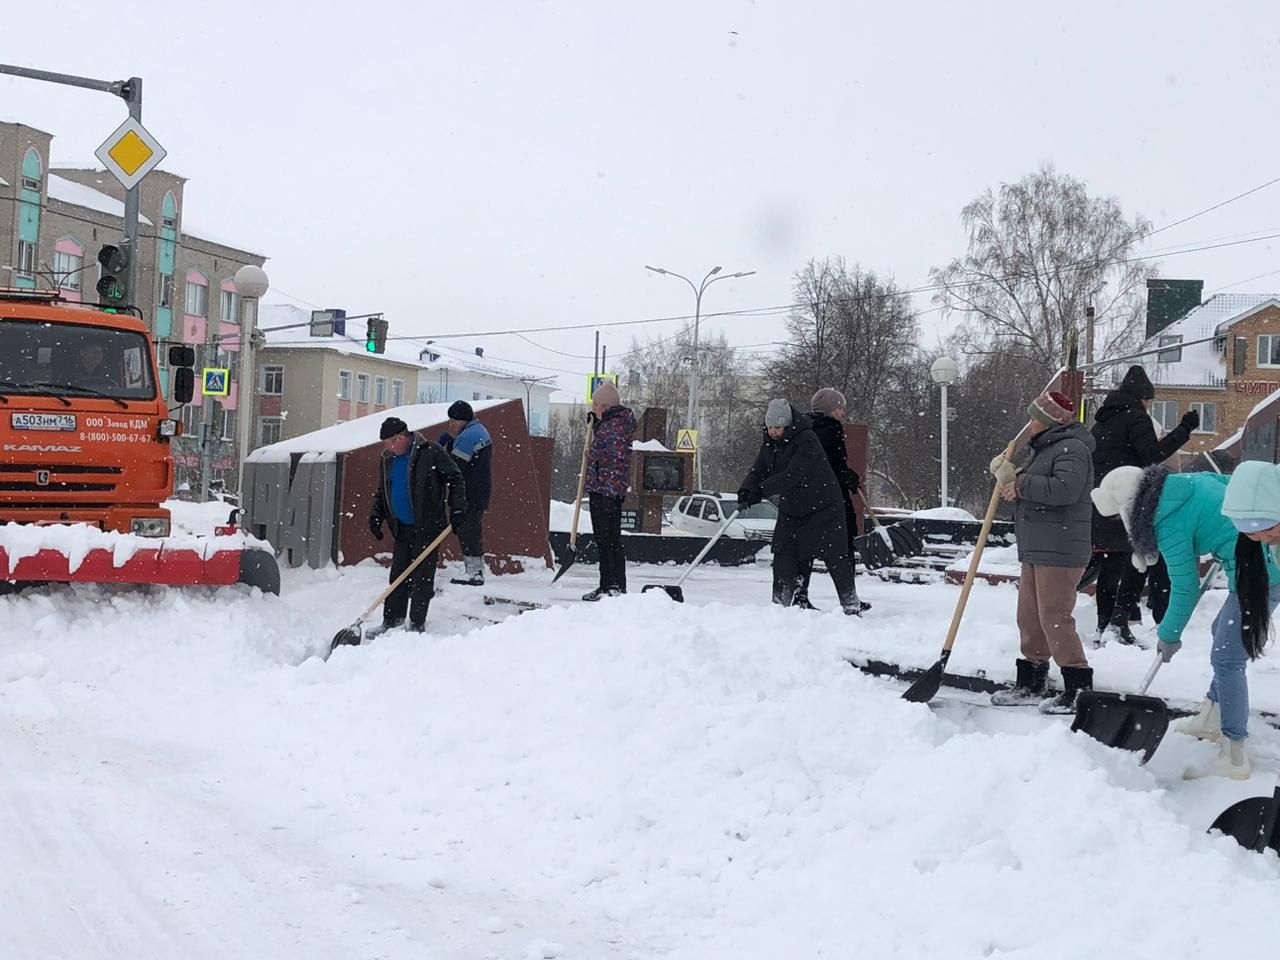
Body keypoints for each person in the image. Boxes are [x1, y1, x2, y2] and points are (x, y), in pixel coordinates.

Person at [1093, 460, 1280, 779]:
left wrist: (1169, 633)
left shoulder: (1166, 522)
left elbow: (1185, 585)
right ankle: (1211, 715)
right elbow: (1224, 482)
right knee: (1220, 633)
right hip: (1250, 563)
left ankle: (1234, 752)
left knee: (1227, 657)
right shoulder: (1177, 484)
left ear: (1130, 511)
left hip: (1260, 572)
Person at [988, 390, 1096, 712]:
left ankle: (1078, 687)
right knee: (1031, 616)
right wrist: (1013, 477)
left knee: (1055, 617)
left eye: (1035, 417)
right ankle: (1032, 680)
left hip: (1060, 549)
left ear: (1049, 421)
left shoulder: (1072, 448)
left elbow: (1065, 490)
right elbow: (1041, 484)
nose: (1031, 423)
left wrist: (1021, 486)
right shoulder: (1047, 447)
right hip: (1038, 546)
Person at [1089, 364, 1196, 645]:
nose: (1149, 405)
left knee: (1112, 565)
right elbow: (1152, 454)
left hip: (1104, 500)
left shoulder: (1102, 422)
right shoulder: (1136, 418)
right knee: (1140, 561)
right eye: (1149, 400)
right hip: (1130, 499)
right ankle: (1120, 620)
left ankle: (1105, 625)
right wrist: (1184, 430)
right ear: (1142, 398)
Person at [738, 400, 862, 615]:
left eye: (778, 428)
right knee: (784, 552)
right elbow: (759, 468)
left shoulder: (807, 439)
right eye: (770, 428)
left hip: (824, 507)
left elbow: (794, 474)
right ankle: (782, 605)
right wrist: (747, 489)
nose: (774, 432)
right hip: (793, 508)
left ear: (787, 425)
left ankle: (850, 603)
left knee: (836, 557)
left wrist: (763, 490)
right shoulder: (769, 442)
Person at [367, 416, 466, 634]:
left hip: (428, 527)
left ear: (402, 437)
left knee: (422, 578)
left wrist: (457, 509)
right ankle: (392, 620)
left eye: (390, 443)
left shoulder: (430, 452)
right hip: (402, 528)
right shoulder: (388, 460)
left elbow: (455, 478)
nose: (389, 448)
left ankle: (416, 624)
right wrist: (376, 515)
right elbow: (383, 491)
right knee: (398, 576)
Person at [792, 387, 871, 613]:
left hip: (807, 500)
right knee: (843, 549)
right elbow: (831, 464)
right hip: (831, 499)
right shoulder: (830, 429)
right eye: (839, 408)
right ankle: (850, 600)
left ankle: (800, 595)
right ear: (828, 409)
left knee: (805, 549)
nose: (841, 413)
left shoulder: (804, 429)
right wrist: (846, 476)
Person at [582, 381, 636, 601]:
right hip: (608, 489)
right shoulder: (615, 424)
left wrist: (593, 454)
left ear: (604, 406)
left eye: (596, 404)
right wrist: (595, 427)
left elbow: (611, 458)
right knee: (610, 539)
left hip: (606, 490)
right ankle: (614, 585)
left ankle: (610, 586)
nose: (594, 408)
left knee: (607, 540)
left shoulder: (614, 427)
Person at [438, 400, 493, 586]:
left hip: (470, 492)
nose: (451, 425)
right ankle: (475, 570)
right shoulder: (479, 430)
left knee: (468, 530)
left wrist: (440, 453)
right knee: (472, 529)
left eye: (453, 420)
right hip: (480, 490)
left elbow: (455, 468)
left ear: (462, 420)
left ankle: (474, 573)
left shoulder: (468, 437)